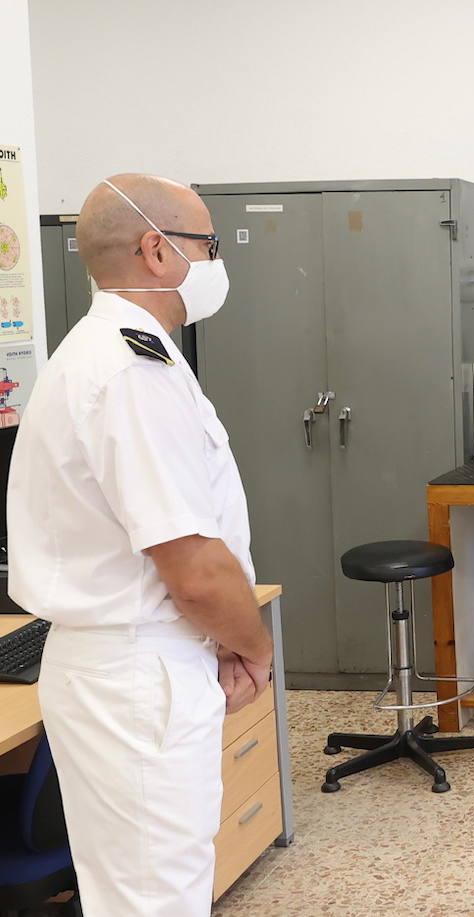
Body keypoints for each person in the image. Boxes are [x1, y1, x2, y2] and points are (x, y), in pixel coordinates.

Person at [7, 174, 272, 913]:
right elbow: (194, 570)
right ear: (158, 250)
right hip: (138, 670)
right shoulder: (130, 370)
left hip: (127, 665)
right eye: (208, 245)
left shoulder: (115, 353)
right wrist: (254, 644)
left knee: (139, 890)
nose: (219, 261)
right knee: (156, 897)